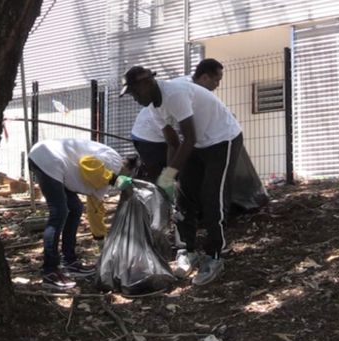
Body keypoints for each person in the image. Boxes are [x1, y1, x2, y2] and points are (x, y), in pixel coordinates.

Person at [120, 66, 243, 286]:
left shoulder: (174, 94)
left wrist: (169, 174)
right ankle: (188, 250)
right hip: (198, 143)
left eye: (136, 93)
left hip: (222, 139)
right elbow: (173, 143)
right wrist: (170, 180)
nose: (135, 98)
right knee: (184, 196)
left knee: (211, 196)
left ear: (149, 84)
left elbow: (189, 137)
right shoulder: (155, 107)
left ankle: (214, 256)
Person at [28, 139, 133, 290]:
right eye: (129, 176)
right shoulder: (114, 161)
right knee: (59, 212)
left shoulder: (106, 179)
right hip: (48, 158)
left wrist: (100, 239)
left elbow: (95, 208)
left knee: (76, 208)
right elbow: (87, 163)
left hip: (58, 167)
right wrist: (115, 180)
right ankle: (50, 271)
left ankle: (69, 262)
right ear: (127, 168)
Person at [130, 59, 224, 182]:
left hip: (153, 135)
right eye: (216, 80)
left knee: (175, 176)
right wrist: (169, 175)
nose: (217, 85)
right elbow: (186, 139)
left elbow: (179, 141)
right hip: (151, 136)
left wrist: (169, 175)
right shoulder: (180, 91)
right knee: (177, 177)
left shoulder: (188, 88)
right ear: (205, 77)